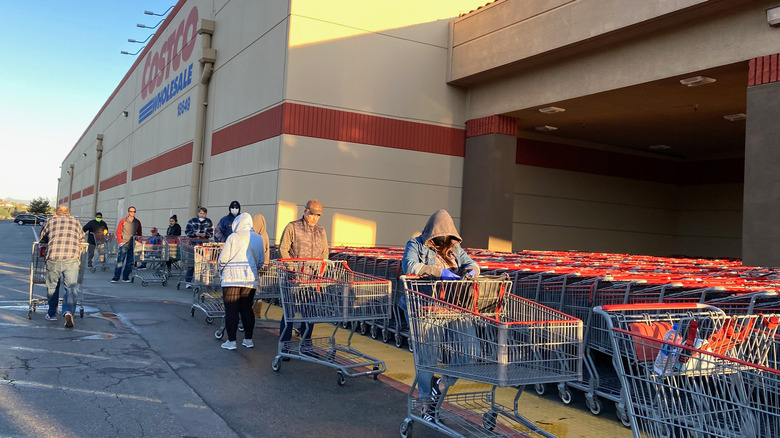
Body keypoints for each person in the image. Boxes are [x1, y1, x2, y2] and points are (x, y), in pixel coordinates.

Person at [401, 209, 480, 422]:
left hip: (454, 306)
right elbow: (410, 265)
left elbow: (473, 263)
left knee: (472, 349)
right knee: (428, 357)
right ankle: (426, 406)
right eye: (439, 236)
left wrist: (472, 270)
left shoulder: (455, 247)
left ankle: (441, 383)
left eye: (447, 236)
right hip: (425, 307)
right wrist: (440, 272)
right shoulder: (415, 244)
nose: (443, 240)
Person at [278, 199, 329, 357]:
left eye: (317, 215)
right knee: (289, 311)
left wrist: (322, 270)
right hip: (295, 278)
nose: (314, 218)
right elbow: (283, 249)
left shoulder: (321, 231)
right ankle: (285, 346)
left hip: (313, 279)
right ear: (305, 211)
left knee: (310, 312)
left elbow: (325, 253)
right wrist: (292, 268)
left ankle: (306, 345)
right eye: (312, 214)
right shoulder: (293, 227)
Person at [217, 212, 264, 350]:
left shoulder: (233, 237)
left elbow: (223, 258)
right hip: (250, 280)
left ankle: (231, 341)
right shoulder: (258, 238)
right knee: (246, 309)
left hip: (231, 279)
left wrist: (220, 270)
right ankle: (248, 339)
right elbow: (261, 261)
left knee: (231, 310)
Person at [39, 205, 84, 328]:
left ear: (56, 213)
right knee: (70, 287)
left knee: (52, 286)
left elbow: (42, 237)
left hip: (54, 257)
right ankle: (68, 311)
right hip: (72, 257)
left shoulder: (50, 220)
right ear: (68, 213)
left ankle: (52, 313)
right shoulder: (75, 221)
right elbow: (81, 237)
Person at [112, 206, 143, 283]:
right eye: (131, 211)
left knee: (129, 262)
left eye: (134, 211)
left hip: (132, 244)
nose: (133, 213)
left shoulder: (137, 222)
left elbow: (139, 233)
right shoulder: (123, 221)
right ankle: (116, 276)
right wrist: (120, 242)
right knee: (120, 261)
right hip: (124, 243)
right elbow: (119, 231)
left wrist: (138, 242)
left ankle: (125, 277)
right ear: (128, 212)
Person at [184, 207, 214, 284]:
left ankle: (202, 281)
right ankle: (188, 281)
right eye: (201, 213)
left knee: (204, 265)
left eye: (204, 214)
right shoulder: (192, 221)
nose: (202, 215)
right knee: (192, 265)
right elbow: (187, 232)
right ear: (198, 213)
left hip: (204, 247)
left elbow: (211, 233)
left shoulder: (209, 222)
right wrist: (195, 234)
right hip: (193, 246)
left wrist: (205, 234)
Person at [252, 213, 272, 318]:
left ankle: (255, 313)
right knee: (258, 291)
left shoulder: (256, 237)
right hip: (262, 267)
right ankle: (256, 313)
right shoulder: (265, 235)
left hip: (256, 267)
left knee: (254, 291)